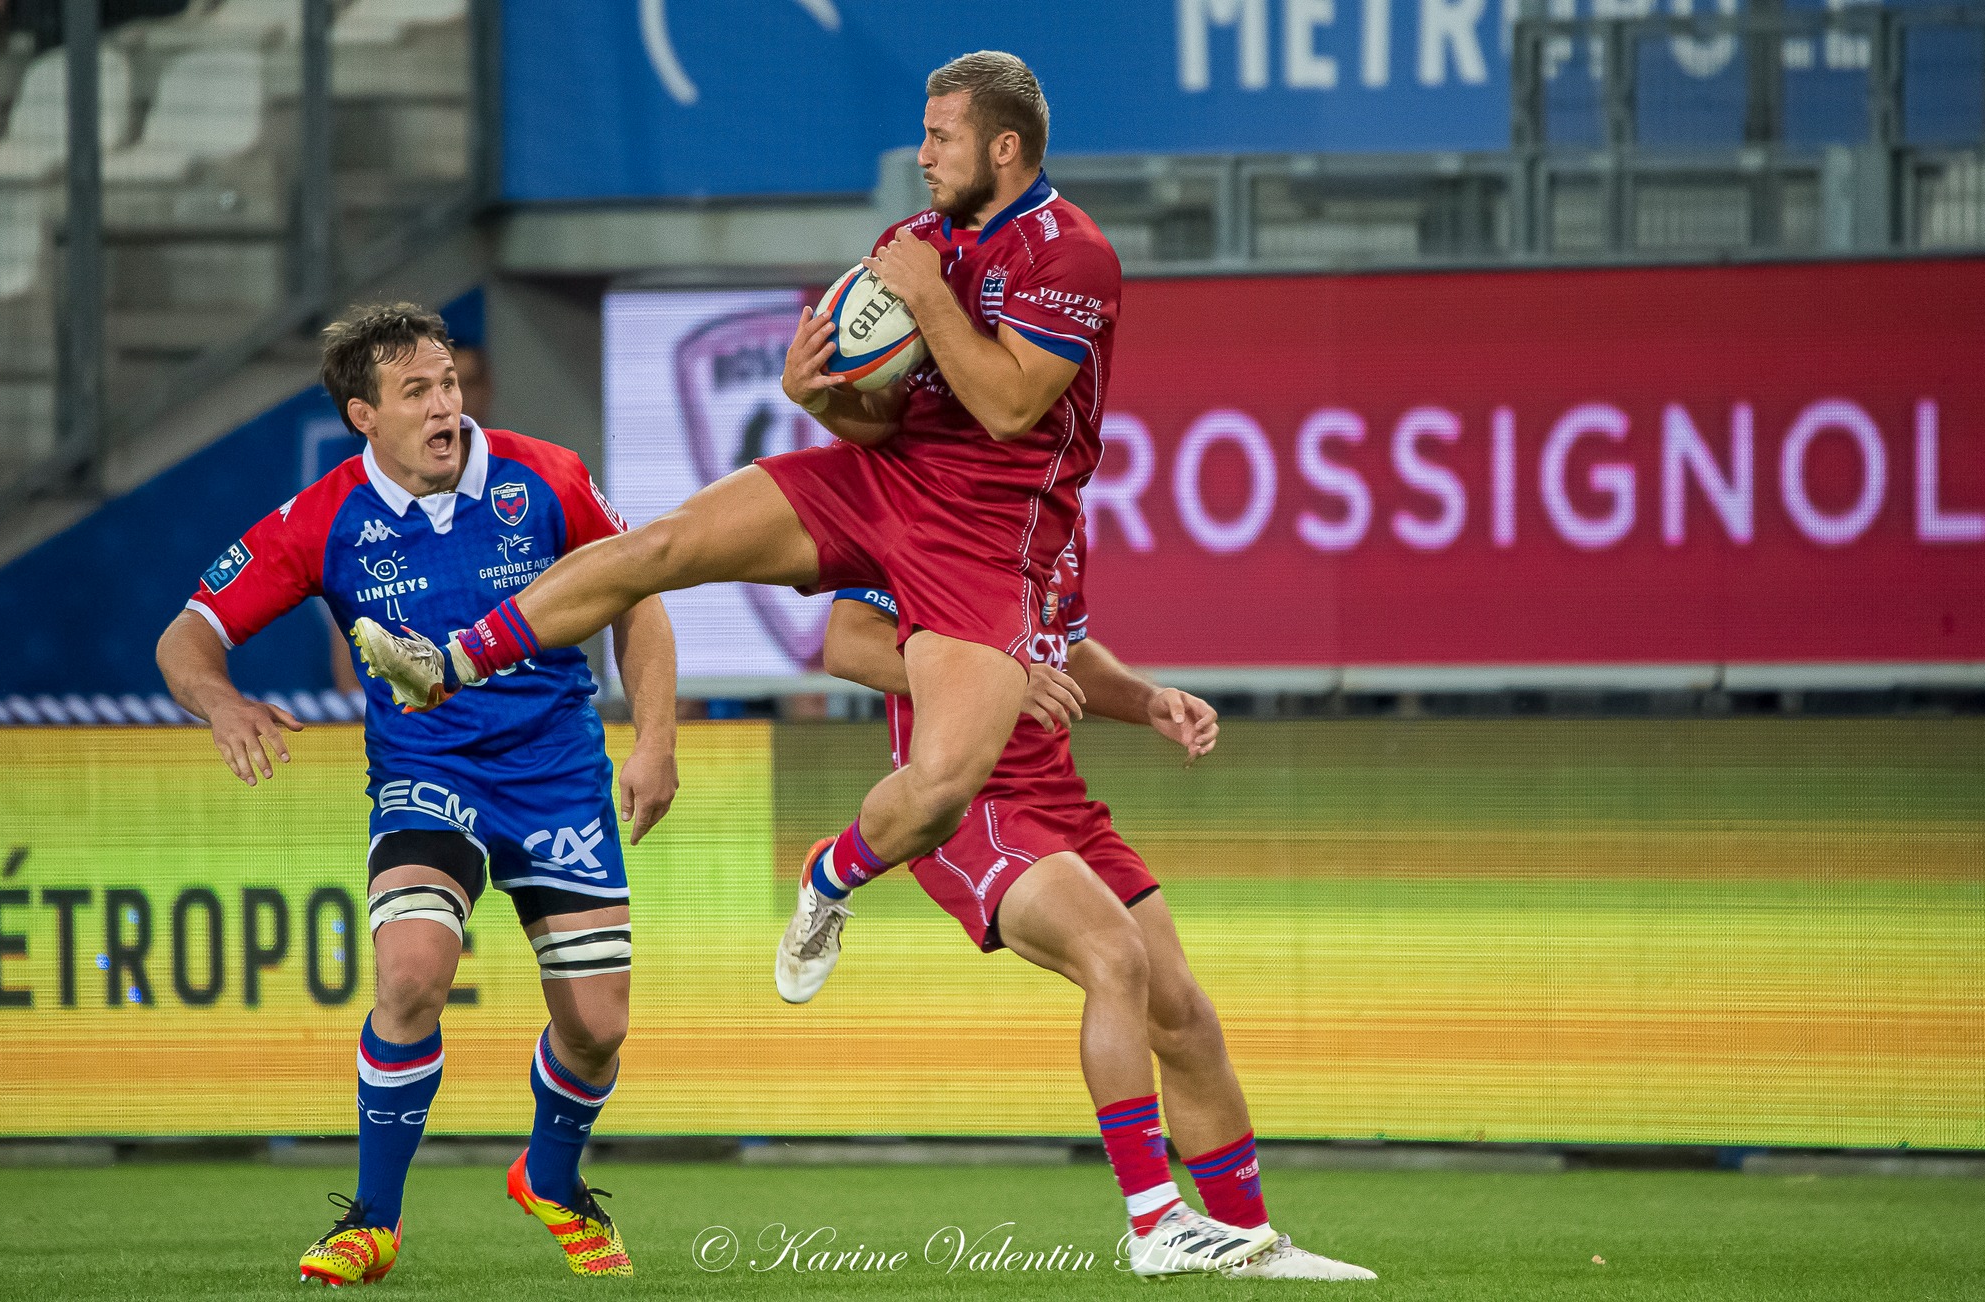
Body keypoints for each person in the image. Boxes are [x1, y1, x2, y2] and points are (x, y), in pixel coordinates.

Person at [348, 51, 1122, 1025]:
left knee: (936, 790)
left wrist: (925, 294)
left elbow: (1011, 408)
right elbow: (883, 422)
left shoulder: (1069, 254)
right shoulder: (909, 242)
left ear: (1003, 148)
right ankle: (448, 663)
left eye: (941, 137)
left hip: (983, 535)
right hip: (880, 480)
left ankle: (830, 876)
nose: (920, 153)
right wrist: (820, 397)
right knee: (661, 545)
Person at [154, 303, 678, 1284]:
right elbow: (186, 635)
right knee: (408, 973)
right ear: (365, 417)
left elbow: (638, 594)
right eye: (418, 393)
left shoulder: (545, 476)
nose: (447, 407)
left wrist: (654, 738)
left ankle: (552, 1180)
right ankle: (372, 1220)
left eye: (448, 382)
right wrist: (221, 705)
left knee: (598, 1026)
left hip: (557, 777)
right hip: (426, 781)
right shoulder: (321, 520)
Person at [810, 528, 1378, 1282]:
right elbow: (849, 645)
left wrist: (1149, 701)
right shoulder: (924, 509)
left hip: (1060, 803)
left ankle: (1248, 1244)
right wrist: (1000, 681)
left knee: (1183, 1014)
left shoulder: (1057, 515)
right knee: (1115, 956)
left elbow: (1066, 654)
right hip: (967, 805)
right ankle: (1153, 1220)